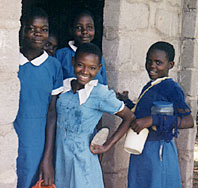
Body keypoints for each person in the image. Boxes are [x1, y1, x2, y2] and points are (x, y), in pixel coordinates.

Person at [40, 43, 135, 188]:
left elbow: (129, 117)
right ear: (73, 62)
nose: (85, 71)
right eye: (80, 65)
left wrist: (107, 146)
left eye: (92, 68)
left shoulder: (100, 93)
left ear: (99, 69)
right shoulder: (63, 87)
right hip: (61, 159)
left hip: (83, 161)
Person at [124, 41, 194, 188]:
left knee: (158, 182)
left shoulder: (171, 88)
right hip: (142, 147)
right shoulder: (151, 85)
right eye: (148, 61)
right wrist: (126, 102)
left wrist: (153, 120)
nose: (152, 66)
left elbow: (188, 121)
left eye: (158, 62)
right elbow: (143, 113)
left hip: (158, 149)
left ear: (171, 65)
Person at [14, 7, 63, 188]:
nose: (38, 34)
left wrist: (47, 158)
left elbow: (52, 113)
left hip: (37, 140)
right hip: (11, 133)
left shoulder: (54, 66)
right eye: (32, 28)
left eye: (44, 30)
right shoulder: (10, 62)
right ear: (22, 30)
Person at [55, 10, 107, 85]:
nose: (85, 31)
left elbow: (104, 85)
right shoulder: (61, 55)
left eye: (89, 27)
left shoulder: (98, 57)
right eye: (79, 27)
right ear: (71, 30)